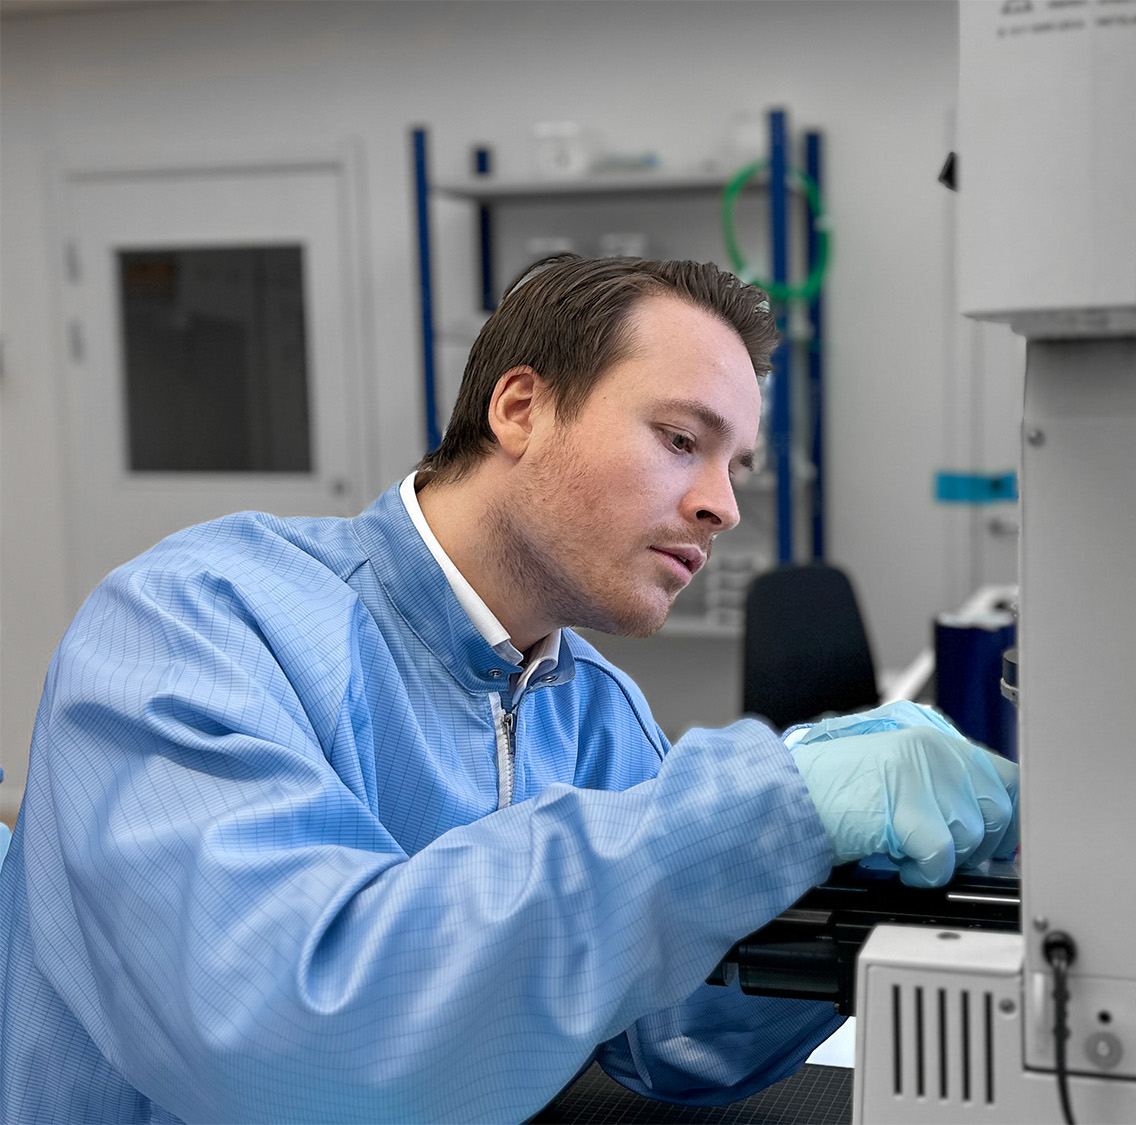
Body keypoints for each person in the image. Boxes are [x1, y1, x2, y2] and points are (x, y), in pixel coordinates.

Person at [0, 255, 1017, 1123]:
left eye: (735, 466)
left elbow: (668, 1035)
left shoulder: (589, 705)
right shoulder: (197, 622)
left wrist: (857, 882)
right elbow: (293, 1031)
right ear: (522, 409)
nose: (721, 506)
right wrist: (760, 805)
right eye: (680, 440)